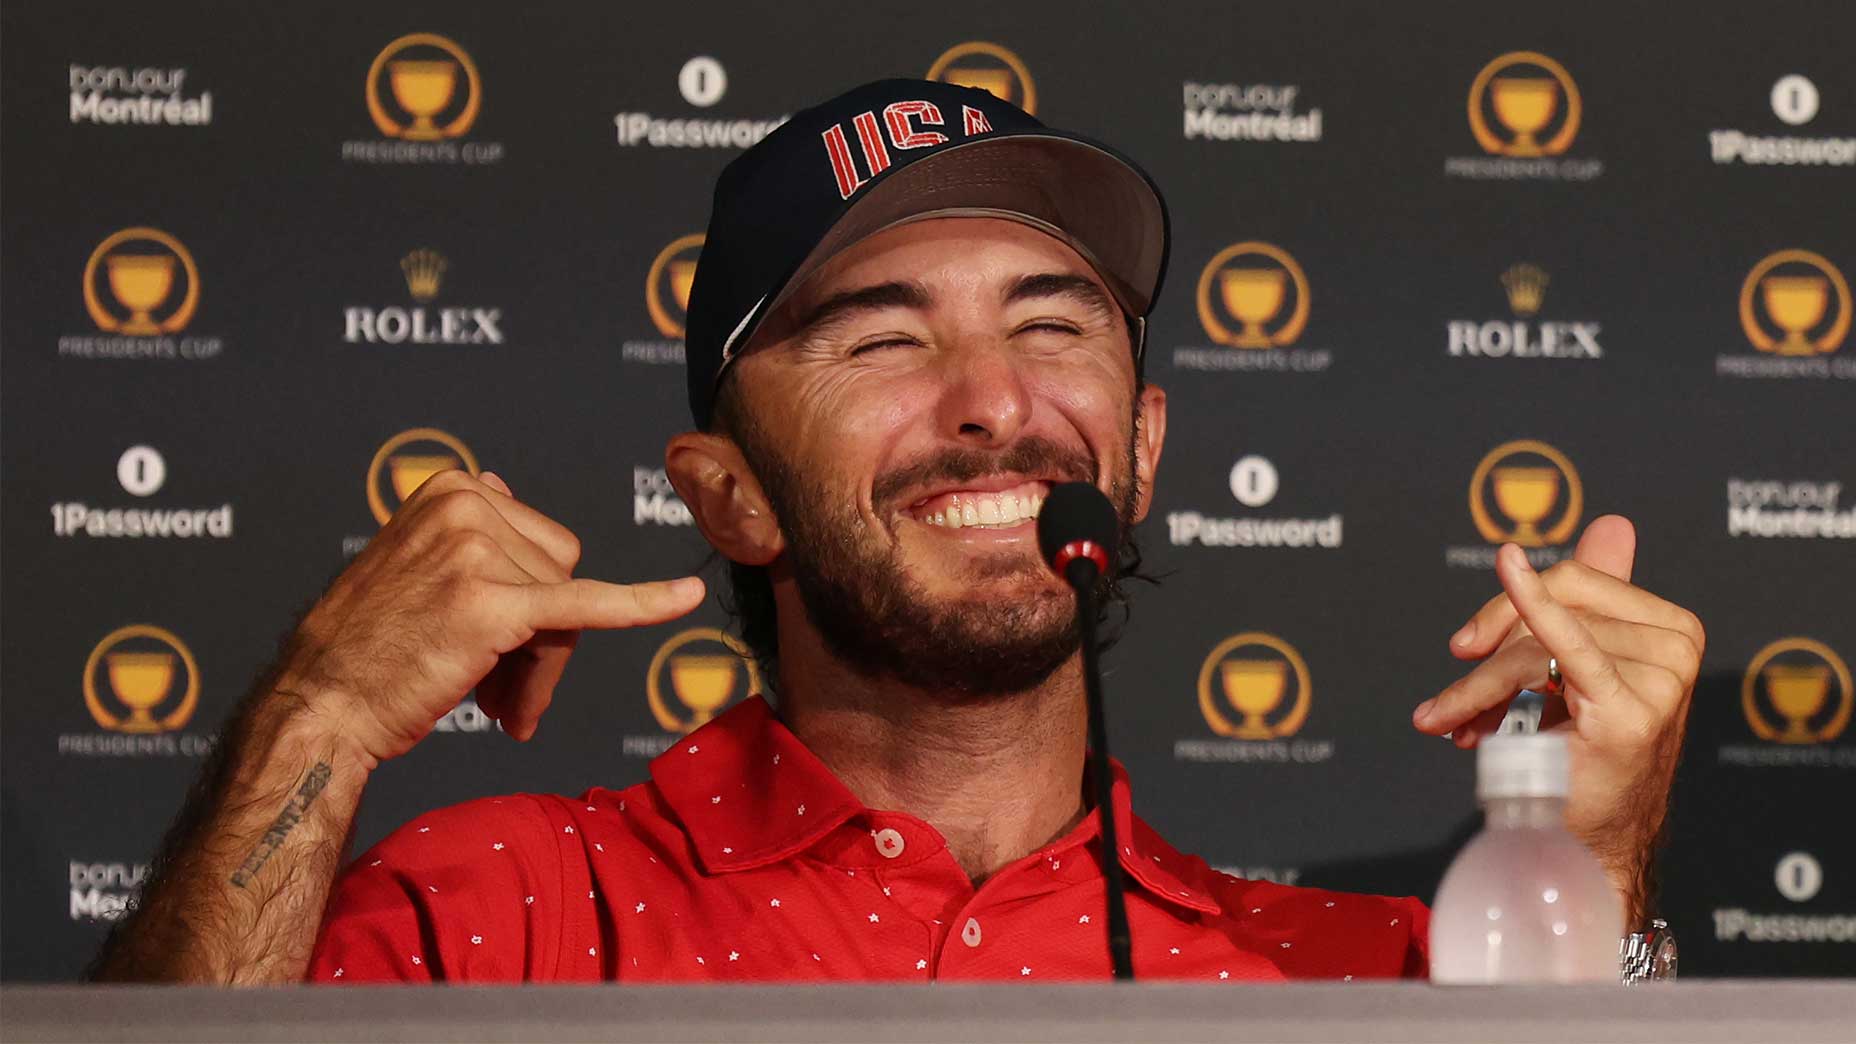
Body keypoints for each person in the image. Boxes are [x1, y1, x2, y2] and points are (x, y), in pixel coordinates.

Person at [92, 79, 1701, 984]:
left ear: (1138, 452)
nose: (996, 402)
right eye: (881, 339)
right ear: (727, 494)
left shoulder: (1356, 975)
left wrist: (1596, 873)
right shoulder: (486, 912)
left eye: (1054, 326)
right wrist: (309, 717)